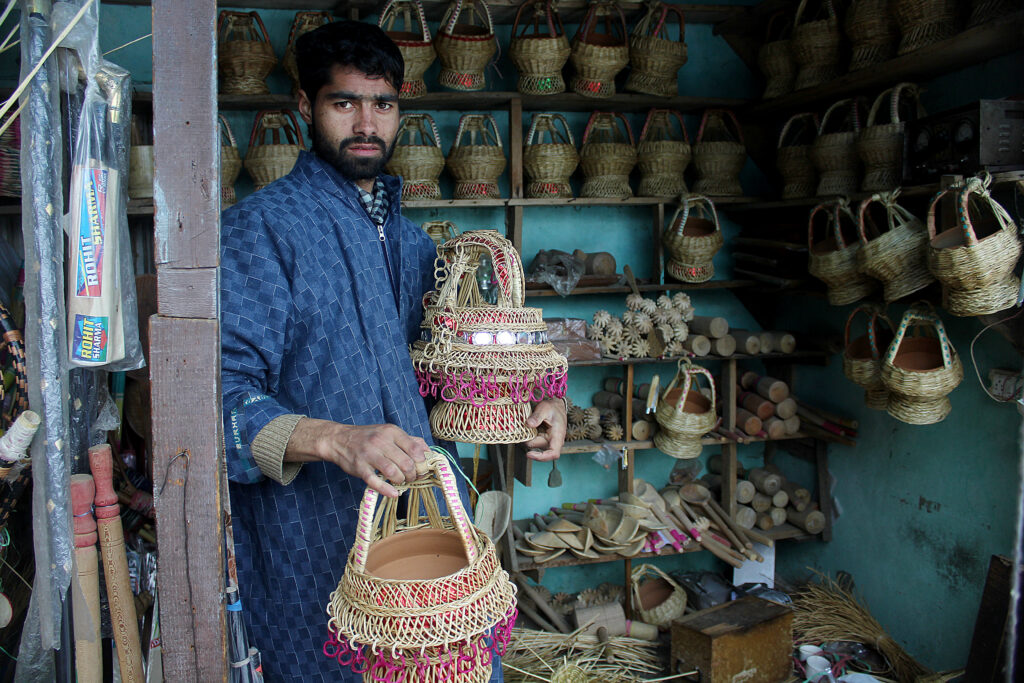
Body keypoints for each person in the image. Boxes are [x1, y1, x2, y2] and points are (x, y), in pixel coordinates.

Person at [219, 20, 566, 682]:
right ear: (304, 106)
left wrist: (538, 397)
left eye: (382, 103)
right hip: (314, 542)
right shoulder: (259, 232)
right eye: (343, 102)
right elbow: (222, 403)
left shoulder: (413, 246)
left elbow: (453, 366)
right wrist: (335, 439)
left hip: (431, 531)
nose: (366, 122)